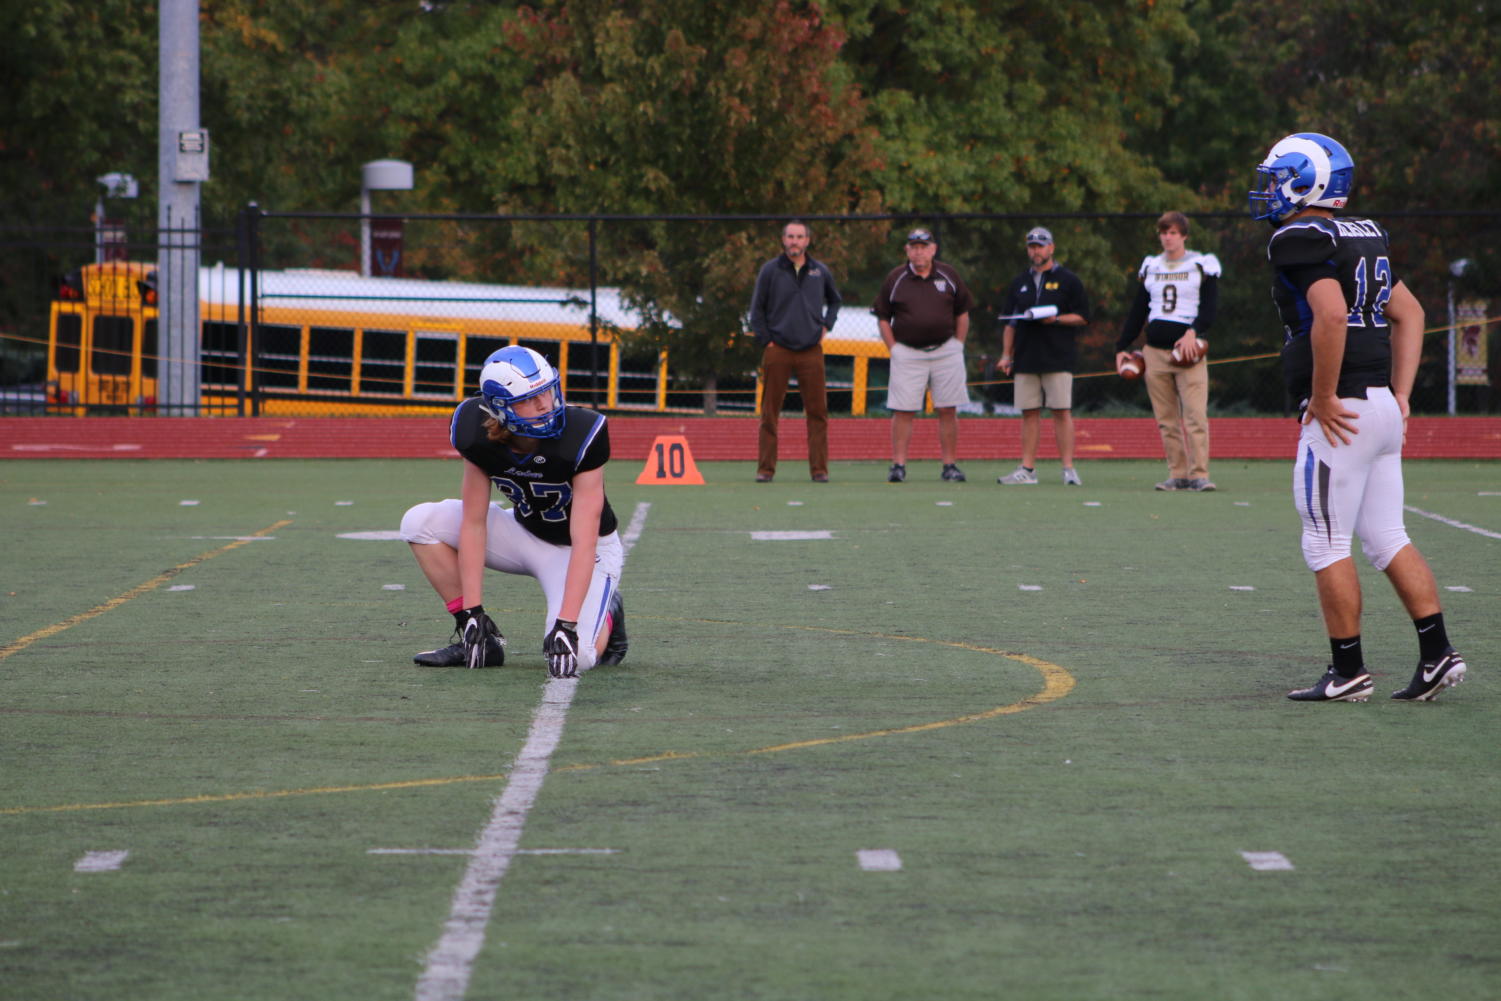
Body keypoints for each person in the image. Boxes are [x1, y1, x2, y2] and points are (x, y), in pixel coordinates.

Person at [1250, 131, 1467, 702]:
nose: (1269, 189)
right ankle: (1438, 653)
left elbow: (1331, 314)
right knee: (1387, 535)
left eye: (1277, 177)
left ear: (1307, 179)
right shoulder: (1361, 233)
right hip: (1380, 408)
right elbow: (1411, 312)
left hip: (1340, 410)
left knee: (1326, 543)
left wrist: (1321, 396)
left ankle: (1347, 672)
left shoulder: (1298, 235)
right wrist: (1402, 393)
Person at [400, 345, 627, 678]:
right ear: (500, 409)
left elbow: (585, 540)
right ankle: (478, 639)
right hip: (522, 533)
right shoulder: (475, 431)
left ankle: (609, 613)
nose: (544, 405)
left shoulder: (583, 433)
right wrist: (472, 610)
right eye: (529, 400)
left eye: (547, 392)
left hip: (584, 551)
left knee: (574, 656)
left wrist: (567, 624)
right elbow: (474, 523)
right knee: (418, 522)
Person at [1115, 211, 1222, 492]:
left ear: (1184, 235)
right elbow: (1138, 310)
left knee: (1195, 416)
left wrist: (1194, 332)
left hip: (1188, 351)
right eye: (1163, 232)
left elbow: (1210, 307)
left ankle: (1199, 474)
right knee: (1166, 419)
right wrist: (1122, 346)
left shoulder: (1202, 264)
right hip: (1154, 352)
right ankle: (1178, 473)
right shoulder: (1151, 266)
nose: (1167, 237)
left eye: (1173, 232)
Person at [872, 227, 973, 483]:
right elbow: (883, 316)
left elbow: (962, 312)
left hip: (945, 351)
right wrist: (893, 348)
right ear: (907, 250)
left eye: (923, 247)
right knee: (903, 410)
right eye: (914, 247)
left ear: (933, 249)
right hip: (907, 352)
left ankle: (949, 465)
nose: (918, 252)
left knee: (948, 409)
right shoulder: (895, 278)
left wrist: (958, 345)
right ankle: (898, 465)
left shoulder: (948, 274)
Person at [747, 220, 842, 483]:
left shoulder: (820, 271)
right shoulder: (770, 270)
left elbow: (835, 300)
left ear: (807, 241)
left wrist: (826, 327)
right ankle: (765, 470)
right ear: (783, 239)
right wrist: (766, 339)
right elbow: (757, 309)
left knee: (817, 412)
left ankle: (819, 470)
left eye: (799, 237)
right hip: (778, 349)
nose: (794, 241)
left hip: (811, 350)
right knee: (769, 412)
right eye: (790, 236)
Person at [996, 227, 1092, 486]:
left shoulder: (1069, 280)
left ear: (1052, 248)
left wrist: (1056, 318)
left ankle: (1068, 469)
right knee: (1029, 413)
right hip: (1026, 357)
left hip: (1058, 357)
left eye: (1040, 245)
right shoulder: (1019, 282)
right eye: (1031, 246)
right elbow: (1009, 323)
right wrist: (1006, 355)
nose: (1035, 250)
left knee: (1061, 412)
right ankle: (1027, 469)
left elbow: (1082, 316)